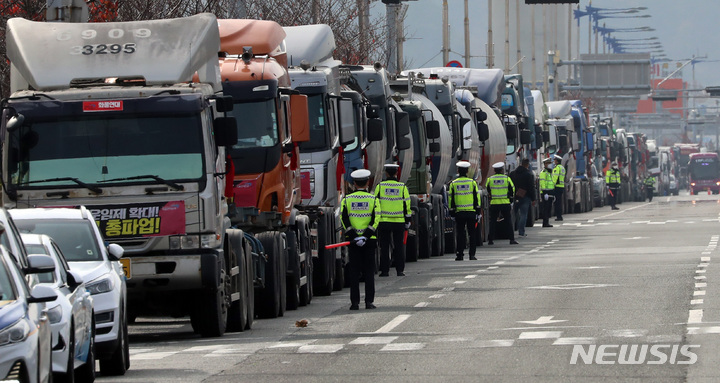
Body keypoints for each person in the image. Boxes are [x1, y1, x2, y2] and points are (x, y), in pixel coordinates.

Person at [341, 169, 380, 310]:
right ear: (368, 182)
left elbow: (344, 219)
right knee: (369, 272)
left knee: (354, 273)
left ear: (354, 183)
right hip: (369, 241)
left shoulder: (347, 200)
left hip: (353, 242)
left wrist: (354, 236)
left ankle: (354, 303)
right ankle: (369, 302)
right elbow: (376, 219)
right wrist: (366, 235)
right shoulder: (373, 199)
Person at [374, 164, 411, 276]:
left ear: (386, 173)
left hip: (384, 222)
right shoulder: (402, 187)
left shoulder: (380, 187)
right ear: (396, 173)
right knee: (399, 246)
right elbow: (407, 205)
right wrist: (407, 219)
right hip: (399, 222)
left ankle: (385, 271)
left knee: (384, 247)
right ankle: (400, 270)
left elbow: (375, 204)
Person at [449, 161, 481, 261]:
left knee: (460, 234)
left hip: (459, 213)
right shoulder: (472, 183)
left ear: (458, 171)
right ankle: (472, 255)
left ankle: (460, 255)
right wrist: (478, 212)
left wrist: (452, 212)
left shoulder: (453, 184)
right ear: (467, 171)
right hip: (471, 213)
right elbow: (477, 198)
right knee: (472, 234)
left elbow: (451, 199)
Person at [486, 162, 519, 245]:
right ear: (502, 170)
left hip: (494, 203)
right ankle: (511, 239)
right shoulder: (507, 179)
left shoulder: (490, 179)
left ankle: (490, 240)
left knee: (493, 222)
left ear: (494, 170)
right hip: (505, 202)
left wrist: (492, 196)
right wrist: (511, 200)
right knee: (508, 221)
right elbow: (512, 190)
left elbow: (487, 189)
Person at [510, 158, 536, 237]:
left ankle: (511, 231)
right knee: (523, 214)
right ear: (527, 165)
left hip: (515, 196)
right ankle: (521, 231)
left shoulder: (512, 173)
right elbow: (531, 187)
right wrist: (533, 199)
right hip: (525, 197)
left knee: (513, 214)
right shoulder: (528, 174)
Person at [539, 157, 555, 228]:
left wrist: (553, 194)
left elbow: (551, 183)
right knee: (546, 208)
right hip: (546, 193)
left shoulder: (549, 173)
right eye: (549, 163)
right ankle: (545, 223)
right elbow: (542, 183)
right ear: (545, 164)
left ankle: (547, 222)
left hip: (550, 193)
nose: (550, 165)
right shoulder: (543, 173)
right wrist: (545, 193)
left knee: (549, 208)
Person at [552, 155, 566, 221]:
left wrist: (552, 186)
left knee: (557, 203)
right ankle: (559, 216)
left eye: (555, 160)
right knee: (559, 202)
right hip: (561, 186)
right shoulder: (562, 168)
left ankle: (559, 216)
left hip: (557, 187)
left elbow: (555, 178)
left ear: (557, 161)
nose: (554, 161)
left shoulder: (557, 168)